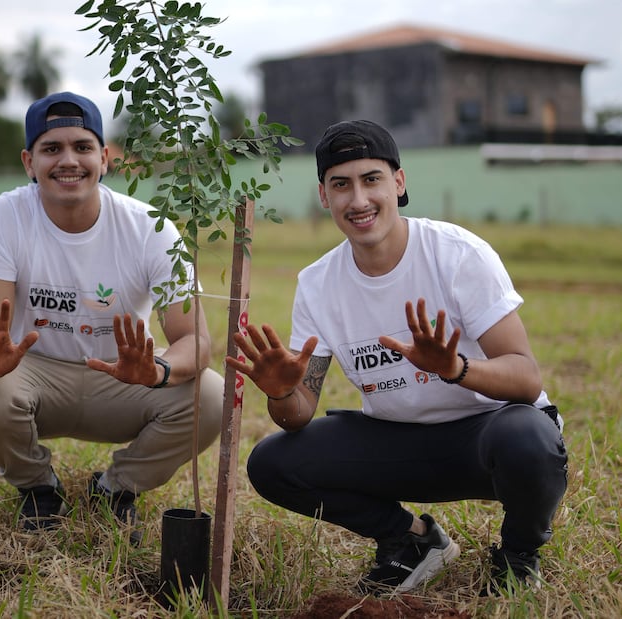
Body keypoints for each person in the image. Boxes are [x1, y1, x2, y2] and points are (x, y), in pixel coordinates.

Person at [226, 120, 568, 596]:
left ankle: (517, 557)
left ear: (399, 182)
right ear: (324, 196)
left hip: (484, 438)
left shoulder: (457, 254)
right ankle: (411, 541)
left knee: (530, 435)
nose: (358, 200)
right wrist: (284, 391)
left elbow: (527, 379)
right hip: (397, 444)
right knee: (271, 462)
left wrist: (456, 369)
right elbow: (297, 414)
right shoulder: (318, 283)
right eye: (341, 184)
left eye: (372, 180)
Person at [0, 92, 223, 538]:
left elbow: (197, 342)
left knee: (209, 396)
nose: (68, 161)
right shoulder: (5, 216)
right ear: (28, 161)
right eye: (51, 149)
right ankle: (39, 488)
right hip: (35, 373)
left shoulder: (151, 228)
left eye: (82, 146)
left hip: (121, 377)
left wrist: (157, 370)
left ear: (105, 158)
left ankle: (115, 490)